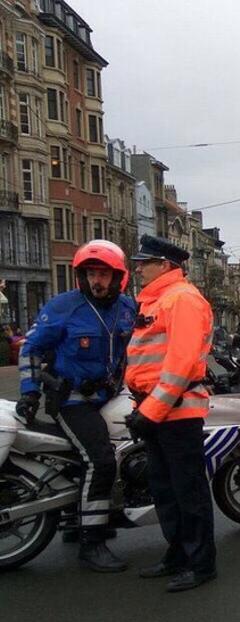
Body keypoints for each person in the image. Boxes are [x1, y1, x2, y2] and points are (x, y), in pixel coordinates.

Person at [15, 240, 136, 572]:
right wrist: (29, 392)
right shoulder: (62, 306)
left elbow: (134, 348)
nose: (97, 280)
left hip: (111, 394)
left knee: (134, 440)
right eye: (91, 273)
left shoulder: (127, 308)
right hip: (72, 400)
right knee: (100, 460)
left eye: (104, 274)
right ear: (81, 276)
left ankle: (81, 517)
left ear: (118, 277)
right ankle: (92, 542)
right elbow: (30, 349)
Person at [123, 235, 216, 592]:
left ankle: (201, 563)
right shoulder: (161, 300)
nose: (139, 269)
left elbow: (181, 364)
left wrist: (151, 410)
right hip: (158, 409)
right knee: (166, 490)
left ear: (165, 265)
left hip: (174, 412)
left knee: (187, 491)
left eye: (144, 263)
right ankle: (178, 554)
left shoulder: (182, 300)